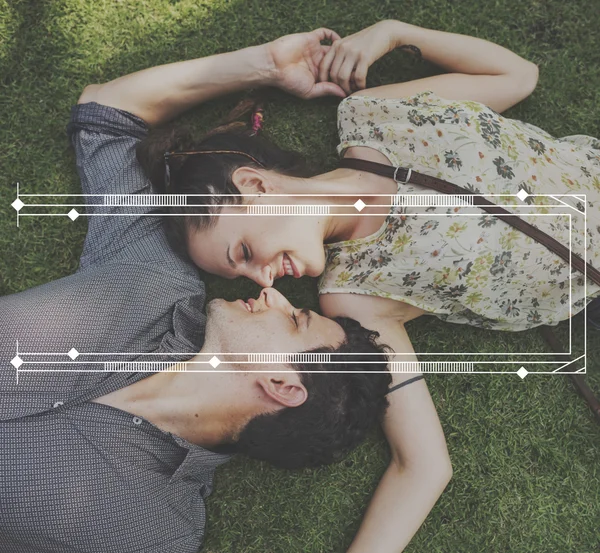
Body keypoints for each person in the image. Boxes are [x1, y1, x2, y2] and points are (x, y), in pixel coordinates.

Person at [137, 19, 600, 552]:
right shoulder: (354, 295)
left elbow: (517, 75)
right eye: (240, 275)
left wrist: (394, 32)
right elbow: (423, 465)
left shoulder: (375, 114)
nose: (264, 282)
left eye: (243, 253)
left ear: (255, 184)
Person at [0, 31, 393, 553]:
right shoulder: (157, 276)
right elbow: (105, 117)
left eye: (294, 320)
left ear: (282, 384)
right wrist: (265, 67)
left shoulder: (153, 529)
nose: (274, 293)